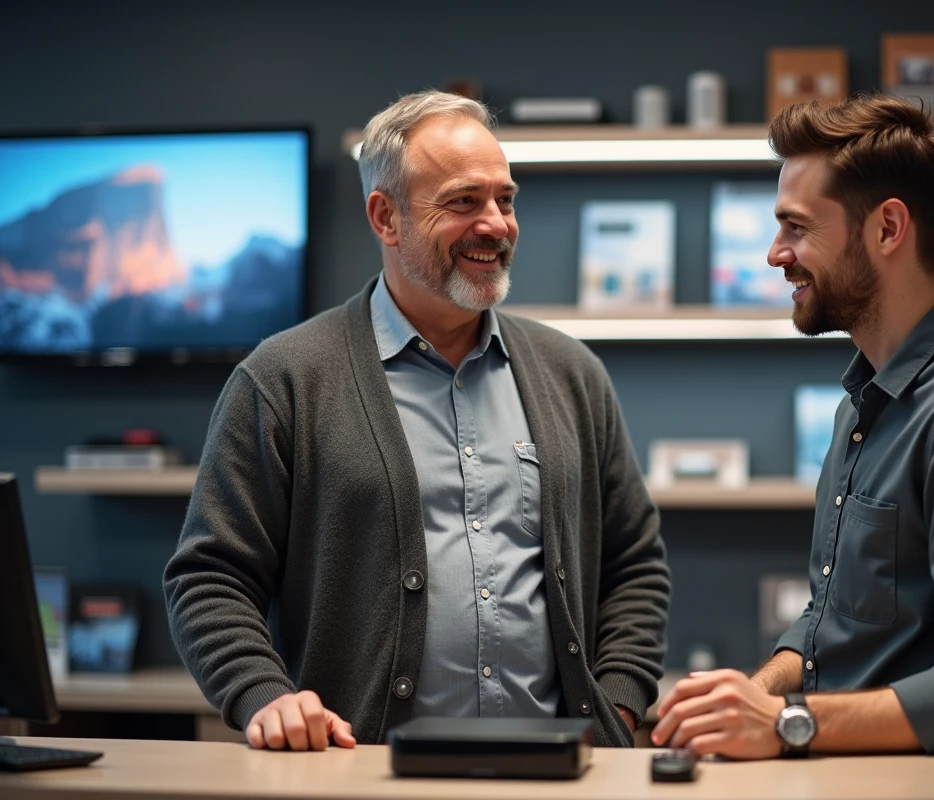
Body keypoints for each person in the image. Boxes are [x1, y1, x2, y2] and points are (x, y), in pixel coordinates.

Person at [164, 90, 670, 751]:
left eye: (505, 199)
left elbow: (634, 564)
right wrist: (264, 696)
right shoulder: (284, 379)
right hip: (359, 774)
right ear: (386, 217)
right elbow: (210, 576)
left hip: (560, 775)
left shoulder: (570, 375)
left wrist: (619, 709)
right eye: (463, 202)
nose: (496, 224)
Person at [651, 95, 934, 757]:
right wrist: (756, 695)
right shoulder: (864, 403)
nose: (774, 254)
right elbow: (834, 622)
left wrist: (787, 724)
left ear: (887, 229)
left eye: (796, 227)